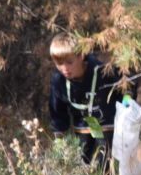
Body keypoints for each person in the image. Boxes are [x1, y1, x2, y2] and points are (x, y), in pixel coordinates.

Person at [46, 33, 122, 167]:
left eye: (69, 62)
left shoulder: (102, 70)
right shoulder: (59, 80)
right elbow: (57, 109)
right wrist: (59, 135)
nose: (64, 68)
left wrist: (126, 105)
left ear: (81, 56)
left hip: (107, 125)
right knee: (82, 163)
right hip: (82, 128)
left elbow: (126, 84)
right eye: (59, 63)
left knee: (105, 162)